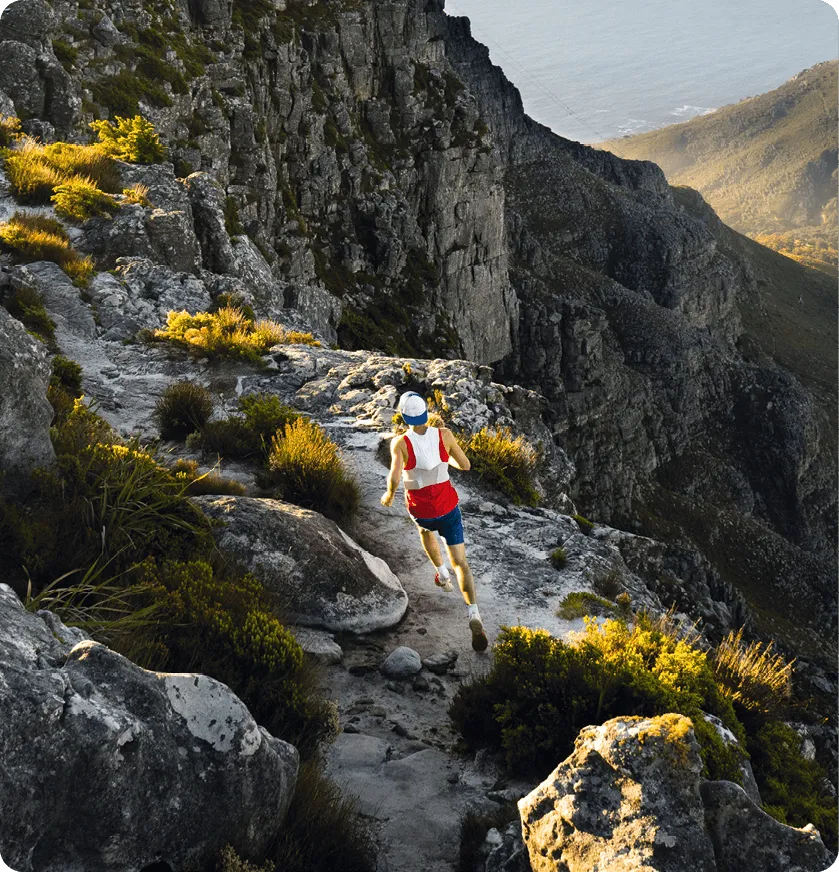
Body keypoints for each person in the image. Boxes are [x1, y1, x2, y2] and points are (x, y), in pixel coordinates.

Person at [380, 391, 488, 652]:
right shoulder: (445, 435)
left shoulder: (400, 443)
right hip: (448, 507)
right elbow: (465, 465)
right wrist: (445, 458)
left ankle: (441, 574)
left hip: (423, 509)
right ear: (426, 413)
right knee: (461, 562)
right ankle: (473, 613)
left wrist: (390, 494)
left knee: (425, 530)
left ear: (404, 416)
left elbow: (395, 476)